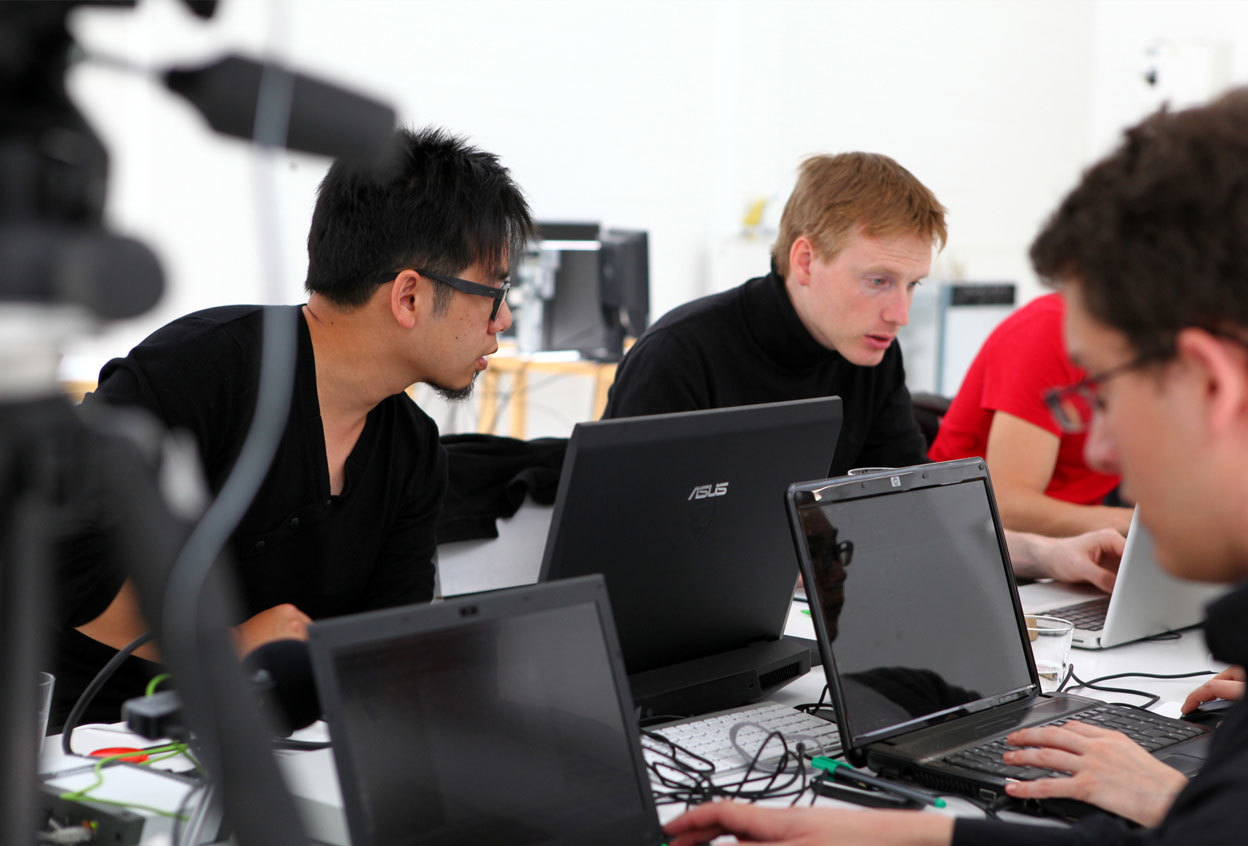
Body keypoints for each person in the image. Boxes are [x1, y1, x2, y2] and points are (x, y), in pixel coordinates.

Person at [665, 88, 1248, 846]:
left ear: (1211, 385)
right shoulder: (686, 353)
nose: (1101, 453)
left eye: (1101, 392)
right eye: (881, 281)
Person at [51, 127, 534, 730]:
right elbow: (62, 564)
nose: (504, 320)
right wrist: (226, 644)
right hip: (97, 740)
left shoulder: (411, 449)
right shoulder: (203, 369)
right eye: (493, 292)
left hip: (285, 750)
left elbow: (381, 647)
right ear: (408, 296)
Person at [604, 150, 1121, 592]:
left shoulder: (869, 355)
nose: (901, 313)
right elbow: (629, 552)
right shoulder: (679, 356)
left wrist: (1049, 555)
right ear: (805, 261)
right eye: (878, 280)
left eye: (913, 284)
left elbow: (918, 521)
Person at [928, 292, 1133, 537]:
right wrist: (1127, 523)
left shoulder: (1165, 352)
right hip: (965, 539)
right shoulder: (1053, 329)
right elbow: (1006, 506)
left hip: (1072, 544)